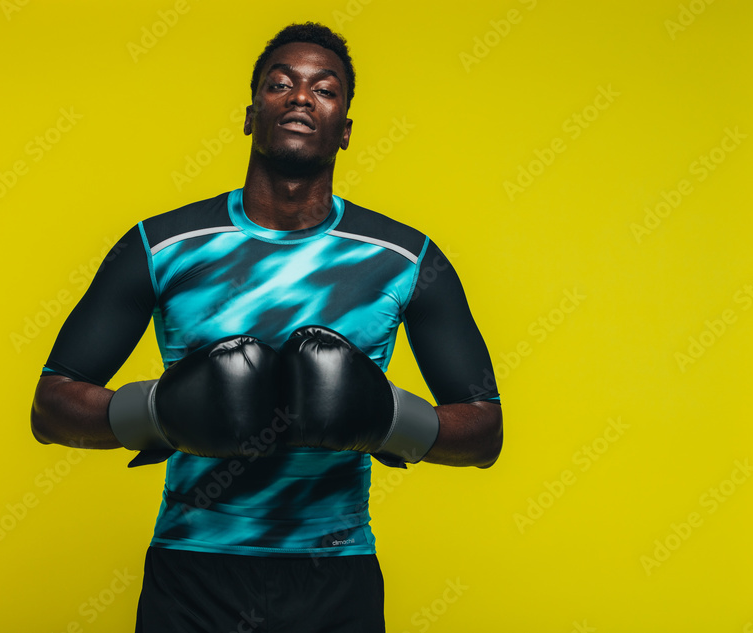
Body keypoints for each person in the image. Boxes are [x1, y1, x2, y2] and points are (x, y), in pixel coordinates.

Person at [30, 22, 502, 632]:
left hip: (336, 577)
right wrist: (160, 411)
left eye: (324, 89)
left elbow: (483, 432)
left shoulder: (405, 258)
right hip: (191, 577)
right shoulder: (161, 244)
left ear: (346, 129)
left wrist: (385, 416)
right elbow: (51, 408)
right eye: (280, 84)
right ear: (252, 115)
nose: (301, 96)